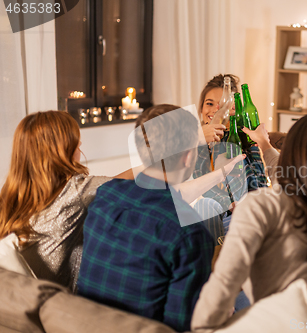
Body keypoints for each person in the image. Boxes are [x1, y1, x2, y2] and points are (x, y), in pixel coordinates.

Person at [191, 112, 307, 333]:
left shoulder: (260, 206)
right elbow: (282, 174)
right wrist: (264, 144)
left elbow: (222, 287)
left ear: (293, 154)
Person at [77, 104, 214, 332]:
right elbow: (181, 324)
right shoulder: (190, 232)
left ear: (141, 151)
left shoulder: (105, 195)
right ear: (189, 156)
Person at [0, 111, 129, 292]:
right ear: (62, 150)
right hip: (61, 305)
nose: (80, 146)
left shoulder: (9, 193)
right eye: (76, 142)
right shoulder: (73, 191)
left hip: (18, 301)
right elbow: (138, 178)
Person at [193, 74, 268, 225]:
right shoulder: (193, 140)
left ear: (234, 108)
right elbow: (201, 185)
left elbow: (260, 185)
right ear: (201, 107)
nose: (215, 110)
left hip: (246, 213)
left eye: (223, 104)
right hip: (215, 213)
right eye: (209, 104)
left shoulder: (243, 138)